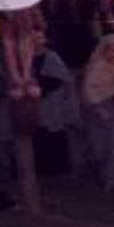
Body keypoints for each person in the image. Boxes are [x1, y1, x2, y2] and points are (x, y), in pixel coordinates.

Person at [82, 34, 114, 192]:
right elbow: (89, 89)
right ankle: (98, 176)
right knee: (99, 146)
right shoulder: (97, 66)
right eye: (113, 50)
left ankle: (111, 183)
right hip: (98, 108)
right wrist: (98, 108)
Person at [31, 29, 82, 176]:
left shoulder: (51, 57)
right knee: (39, 135)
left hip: (51, 102)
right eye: (34, 38)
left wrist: (42, 83)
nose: (36, 41)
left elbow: (63, 79)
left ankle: (57, 168)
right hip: (35, 103)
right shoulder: (27, 56)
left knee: (53, 135)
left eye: (39, 38)